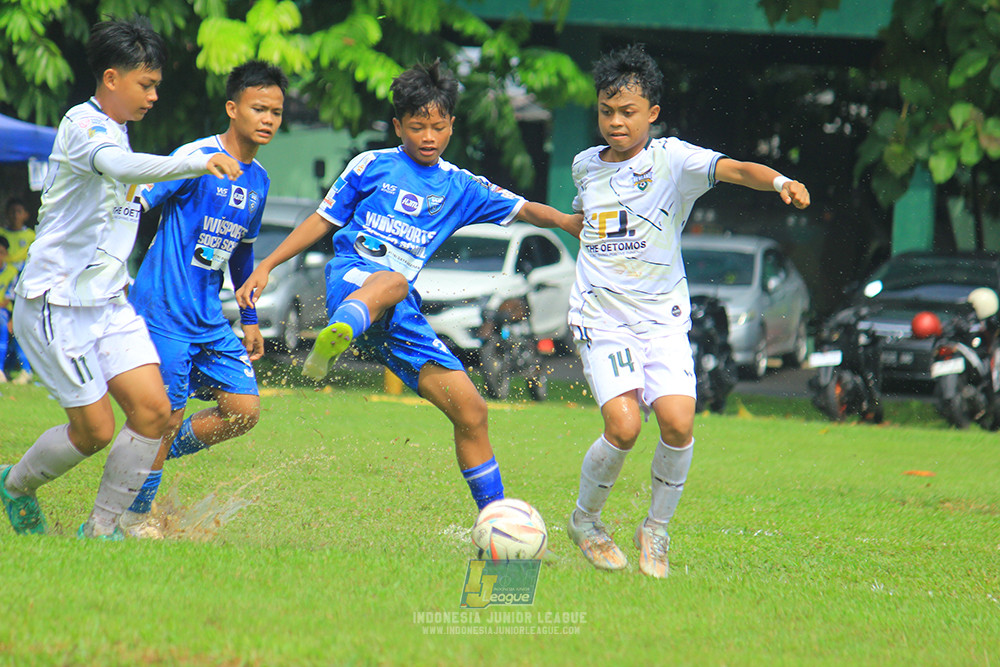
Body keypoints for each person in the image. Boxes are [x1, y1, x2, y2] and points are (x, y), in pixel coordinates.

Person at [236, 60, 582, 512]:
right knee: (392, 280)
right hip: (354, 281)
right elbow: (322, 220)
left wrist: (570, 223)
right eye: (417, 126)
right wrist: (268, 265)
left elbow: (526, 209)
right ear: (398, 125)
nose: (428, 137)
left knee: (472, 412)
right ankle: (338, 334)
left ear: (451, 126)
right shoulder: (371, 165)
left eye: (438, 127)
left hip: (401, 311)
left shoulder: (460, 186)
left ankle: (495, 520)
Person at [565, 44, 810, 578]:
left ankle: (656, 529)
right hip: (602, 317)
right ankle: (585, 521)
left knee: (677, 423)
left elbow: (735, 168)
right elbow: (587, 226)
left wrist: (779, 182)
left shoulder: (673, 160)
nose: (616, 122)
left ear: (651, 113)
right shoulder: (586, 166)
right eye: (606, 111)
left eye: (627, 112)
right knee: (625, 426)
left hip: (662, 319)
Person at [0, 17, 242, 540]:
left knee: (154, 412)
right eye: (146, 84)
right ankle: (15, 486)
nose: (154, 95)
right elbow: (121, 167)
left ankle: (102, 529)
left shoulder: (120, 128)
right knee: (94, 431)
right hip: (54, 303)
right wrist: (196, 163)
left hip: (108, 302)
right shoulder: (83, 127)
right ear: (111, 79)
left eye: (156, 85)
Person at [117, 60, 288, 538]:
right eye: (259, 108)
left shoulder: (260, 180)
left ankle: (146, 455)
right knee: (165, 415)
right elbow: (137, 200)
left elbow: (241, 251)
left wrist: (249, 317)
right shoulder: (196, 157)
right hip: (163, 311)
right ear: (233, 109)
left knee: (244, 409)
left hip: (209, 318)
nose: (268, 119)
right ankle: (132, 518)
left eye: (275, 111)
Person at [1, 197, 35, 271]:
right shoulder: (1, 233)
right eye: (12, 212)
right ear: (6, 214)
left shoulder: (32, 236)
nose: (15, 215)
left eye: (19, 212)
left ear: (26, 215)